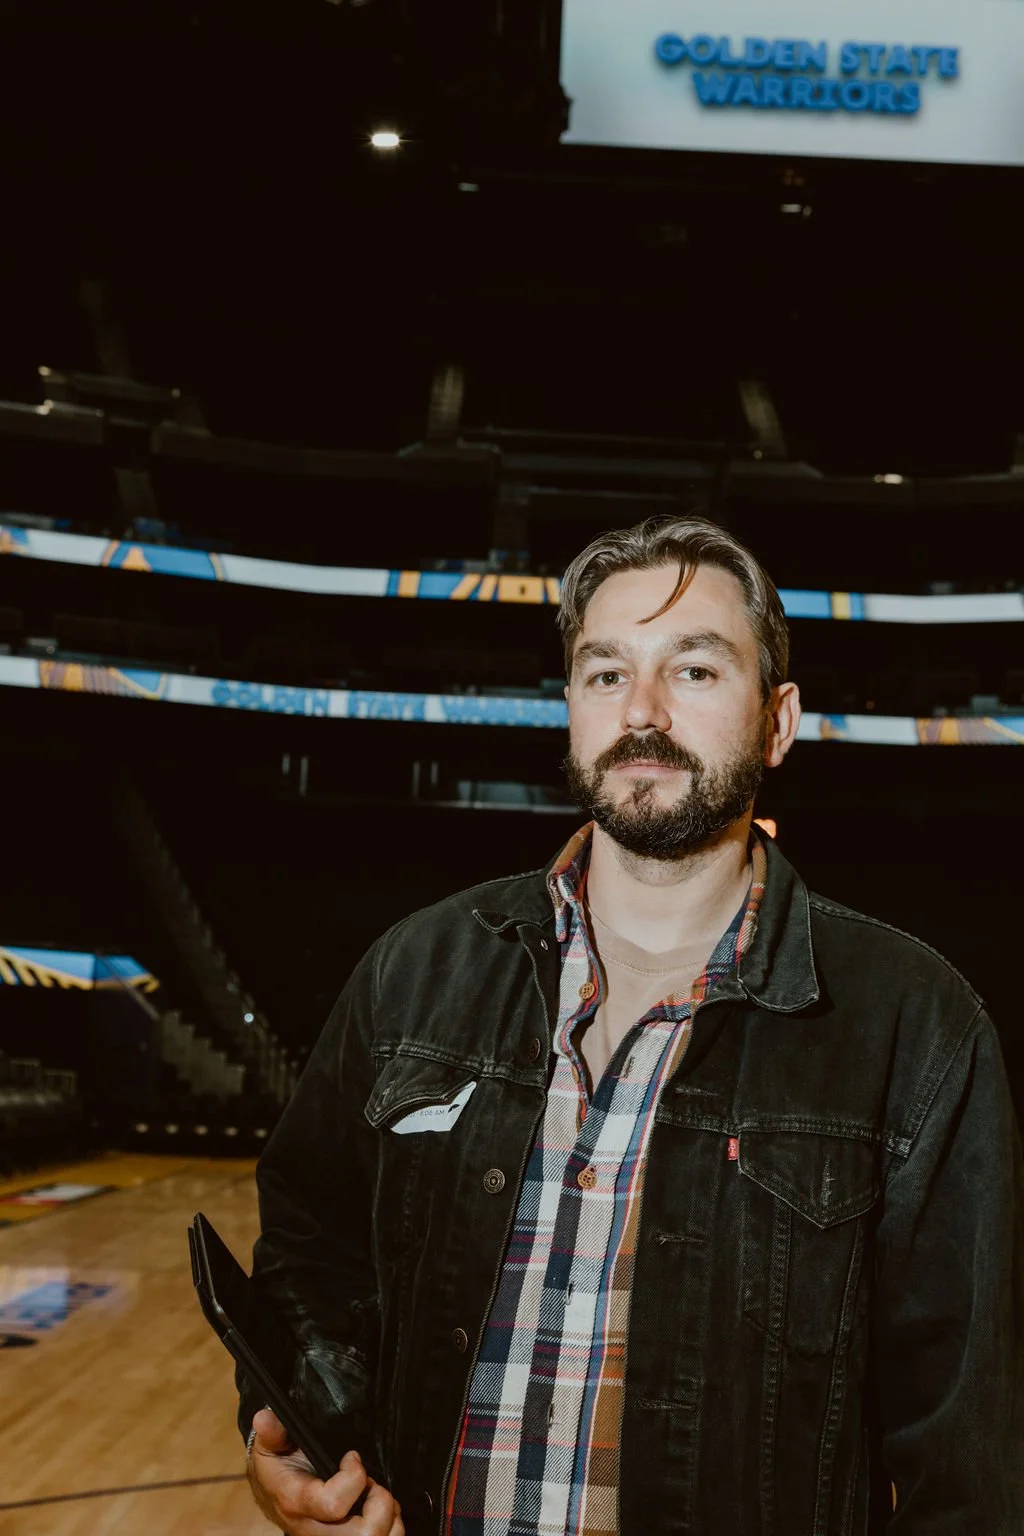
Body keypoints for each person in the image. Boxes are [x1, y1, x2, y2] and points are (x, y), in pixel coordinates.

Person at [240, 516, 1024, 1535]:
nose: (641, 712)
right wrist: (297, 1427)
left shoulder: (912, 1024)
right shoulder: (415, 971)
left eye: (694, 672)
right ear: (570, 708)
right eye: (605, 674)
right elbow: (311, 1240)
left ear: (777, 723)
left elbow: (963, 1455)